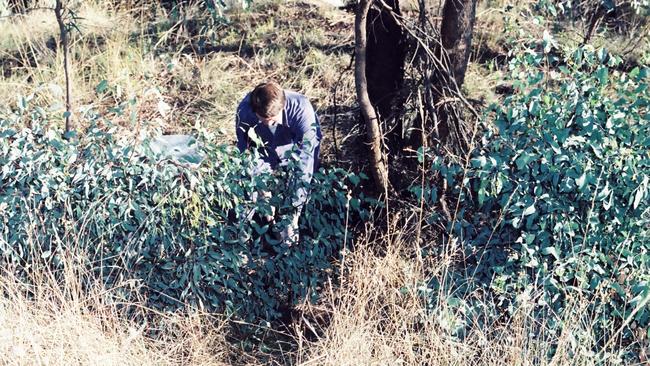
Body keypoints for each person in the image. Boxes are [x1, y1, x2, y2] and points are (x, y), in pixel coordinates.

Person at [235, 81, 322, 245]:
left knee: (304, 183)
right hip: (263, 144)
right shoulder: (245, 111)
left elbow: (304, 164)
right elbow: (246, 154)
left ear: (282, 108)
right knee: (247, 187)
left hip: (294, 144)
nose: (268, 122)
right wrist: (262, 190)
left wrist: (292, 214)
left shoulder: (303, 111)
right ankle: (241, 239)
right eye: (262, 119)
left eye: (272, 119)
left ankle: (297, 229)